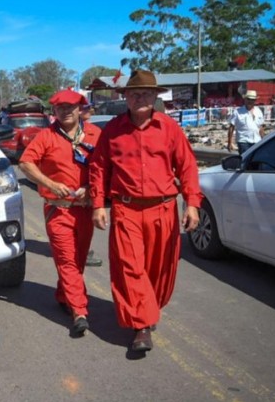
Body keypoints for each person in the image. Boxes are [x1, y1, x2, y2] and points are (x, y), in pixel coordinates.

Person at [89, 70, 201, 353]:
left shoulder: (169, 128)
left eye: (147, 93)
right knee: (130, 267)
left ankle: (148, 306)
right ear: (125, 97)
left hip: (163, 209)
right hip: (126, 210)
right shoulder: (112, 130)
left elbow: (187, 167)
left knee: (159, 270)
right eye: (135, 93)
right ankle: (141, 326)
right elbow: (99, 168)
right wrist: (99, 204)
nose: (141, 98)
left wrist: (193, 204)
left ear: (155, 97)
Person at [19, 89, 101, 336]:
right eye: (60, 107)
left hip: (85, 211)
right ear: (54, 111)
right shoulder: (46, 136)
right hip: (58, 210)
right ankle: (79, 311)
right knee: (66, 260)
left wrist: (92, 188)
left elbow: (106, 166)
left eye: (71, 106)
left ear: (81, 109)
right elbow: (25, 163)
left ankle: (63, 295)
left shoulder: (96, 135)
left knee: (77, 260)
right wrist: (51, 184)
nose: (65, 111)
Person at [79, 102, 103, 268]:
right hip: (72, 189)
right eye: (85, 108)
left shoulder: (95, 131)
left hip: (92, 185)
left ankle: (84, 251)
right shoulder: (59, 131)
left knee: (87, 223)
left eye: (89, 108)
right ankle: (81, 253)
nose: (89, 111)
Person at [227, 90, 265, 155]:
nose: (250, 101)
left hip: (256, 140)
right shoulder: (237, 112)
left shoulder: (258, 112)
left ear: (255, 100)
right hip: (243, 141)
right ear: (245, 99)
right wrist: (230, 142)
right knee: (246, 160)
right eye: (248, 99)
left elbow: (260, 127)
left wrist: (263, 140)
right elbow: (231, 127)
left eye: (252, 99)